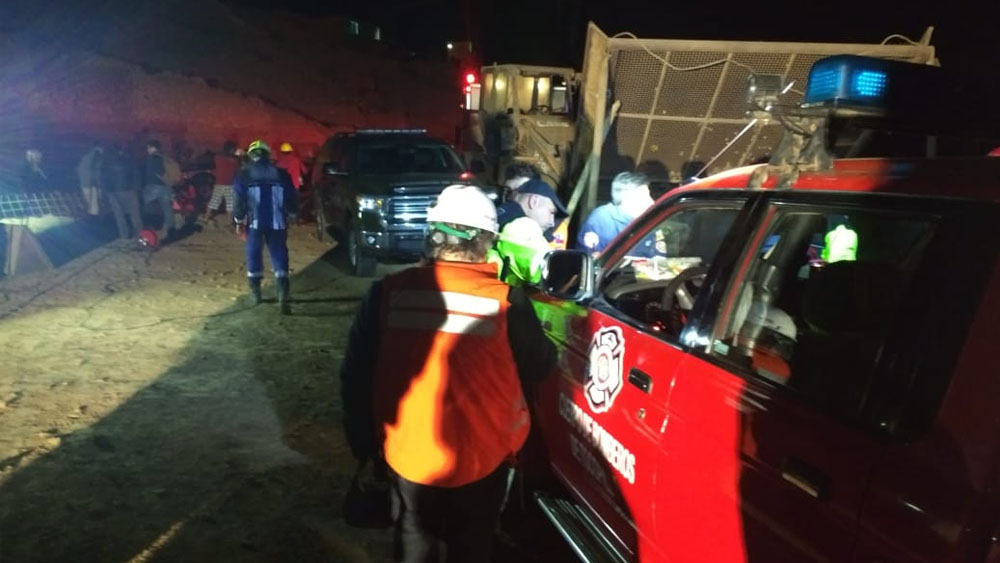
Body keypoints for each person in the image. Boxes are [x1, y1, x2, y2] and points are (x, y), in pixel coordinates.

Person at [340, 184, 555, 563]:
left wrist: (364, 445)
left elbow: (356, 375)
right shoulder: (507, 301)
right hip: (482, 455)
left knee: (414, 531)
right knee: (471, 544)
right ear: (486, 240)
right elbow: (541, 364)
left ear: (432, 234)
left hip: (407, 451)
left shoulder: (386, 293)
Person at [232, 140, 297, 314]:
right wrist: (292, 214)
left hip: (255, 223)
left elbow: (239, 201)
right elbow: (291, 197)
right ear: (268, 155)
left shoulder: (244, 175)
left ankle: (256, 292)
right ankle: (283, 291)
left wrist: (238, 221)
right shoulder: (282, 174)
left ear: (251, 155)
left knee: (253, 253)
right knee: (279, 254)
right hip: (277, 223)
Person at [488, 178, 567, 286]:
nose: (552, 222)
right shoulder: (523, 225)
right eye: (551, 212)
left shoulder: (494, 213)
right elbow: (543, 268)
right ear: (533, 201)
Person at [577, 171, 654, 254]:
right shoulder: (601, 219)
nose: (652, 201)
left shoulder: (648, 219)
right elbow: (590, 259)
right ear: (625, 196)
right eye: (644, 195)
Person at [103, 145, 142, 240]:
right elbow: (136, 174)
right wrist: (137, 188)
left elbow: (104, 179)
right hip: (130, 190)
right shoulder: (128, 160)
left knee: (119, 215)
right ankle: (140, 233)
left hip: (114, 192)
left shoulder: (106, 163)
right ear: (120, 151)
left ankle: (124, 235)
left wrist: (107, 192)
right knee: (135, 213)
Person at [142, 140, 175, 241]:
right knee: (167, 210)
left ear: (152, 147)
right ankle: (170, 231)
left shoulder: (151, 159)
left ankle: (149, 231)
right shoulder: (163, 157)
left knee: (146, 207)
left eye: (148, 147)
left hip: (153, 186)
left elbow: (153, 173)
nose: (147, 150)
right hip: (166, 187)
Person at [203, 140, 240, 226]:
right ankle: (229, 222)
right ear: (232, 149)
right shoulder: (234, 159)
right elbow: (238, 171)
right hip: (229, 184)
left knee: (214, 201)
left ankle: (206, 218)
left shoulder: (218, 157)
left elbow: (211, 160)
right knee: (230, 204)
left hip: (219, 183)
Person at [76, 143, 104, 215]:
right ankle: (95, 219)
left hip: (84, 183)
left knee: (89, 203)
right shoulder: (97, 156)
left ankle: (91, 217)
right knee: (94, 204)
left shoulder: (85, 157)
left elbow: (80, 170)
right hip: (92, 184)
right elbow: (96, 171)